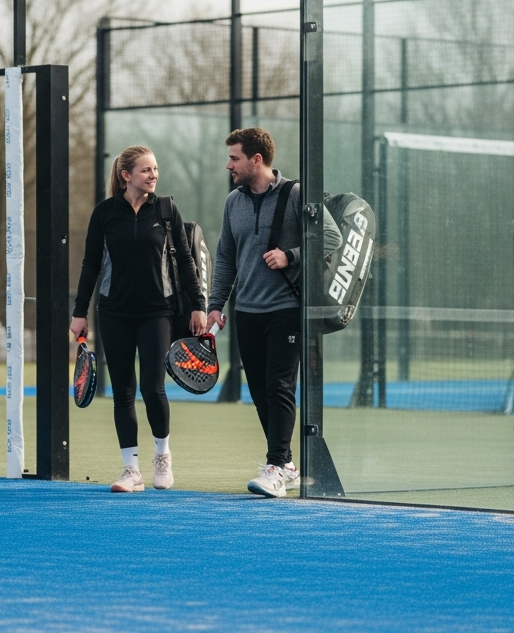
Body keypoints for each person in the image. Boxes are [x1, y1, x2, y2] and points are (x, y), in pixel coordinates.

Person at [207, 128, 340, 498]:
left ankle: (276, 466)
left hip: (285, 308)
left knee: (280, 386)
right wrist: (215, 305)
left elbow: (331, 237)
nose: (228, 165)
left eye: (234, 158)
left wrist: (291, 256)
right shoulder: (233, 202)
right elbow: (224, 257)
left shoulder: (296, 194)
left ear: (256, 160)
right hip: (246, 311)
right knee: (260, 391)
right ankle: (288, 464)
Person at [71, 145, 206, 493]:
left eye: (156, 169)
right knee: (123, 392)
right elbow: (90, 265)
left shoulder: (166, 210)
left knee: (152, 387)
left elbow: (187, 261)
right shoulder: (104, 213)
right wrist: (79, 312)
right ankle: (131, 470)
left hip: (157, 312)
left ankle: (162, 456)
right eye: (146, 170)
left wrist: (198, 305)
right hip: (112, 312)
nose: (153, 175)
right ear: (125, 175)